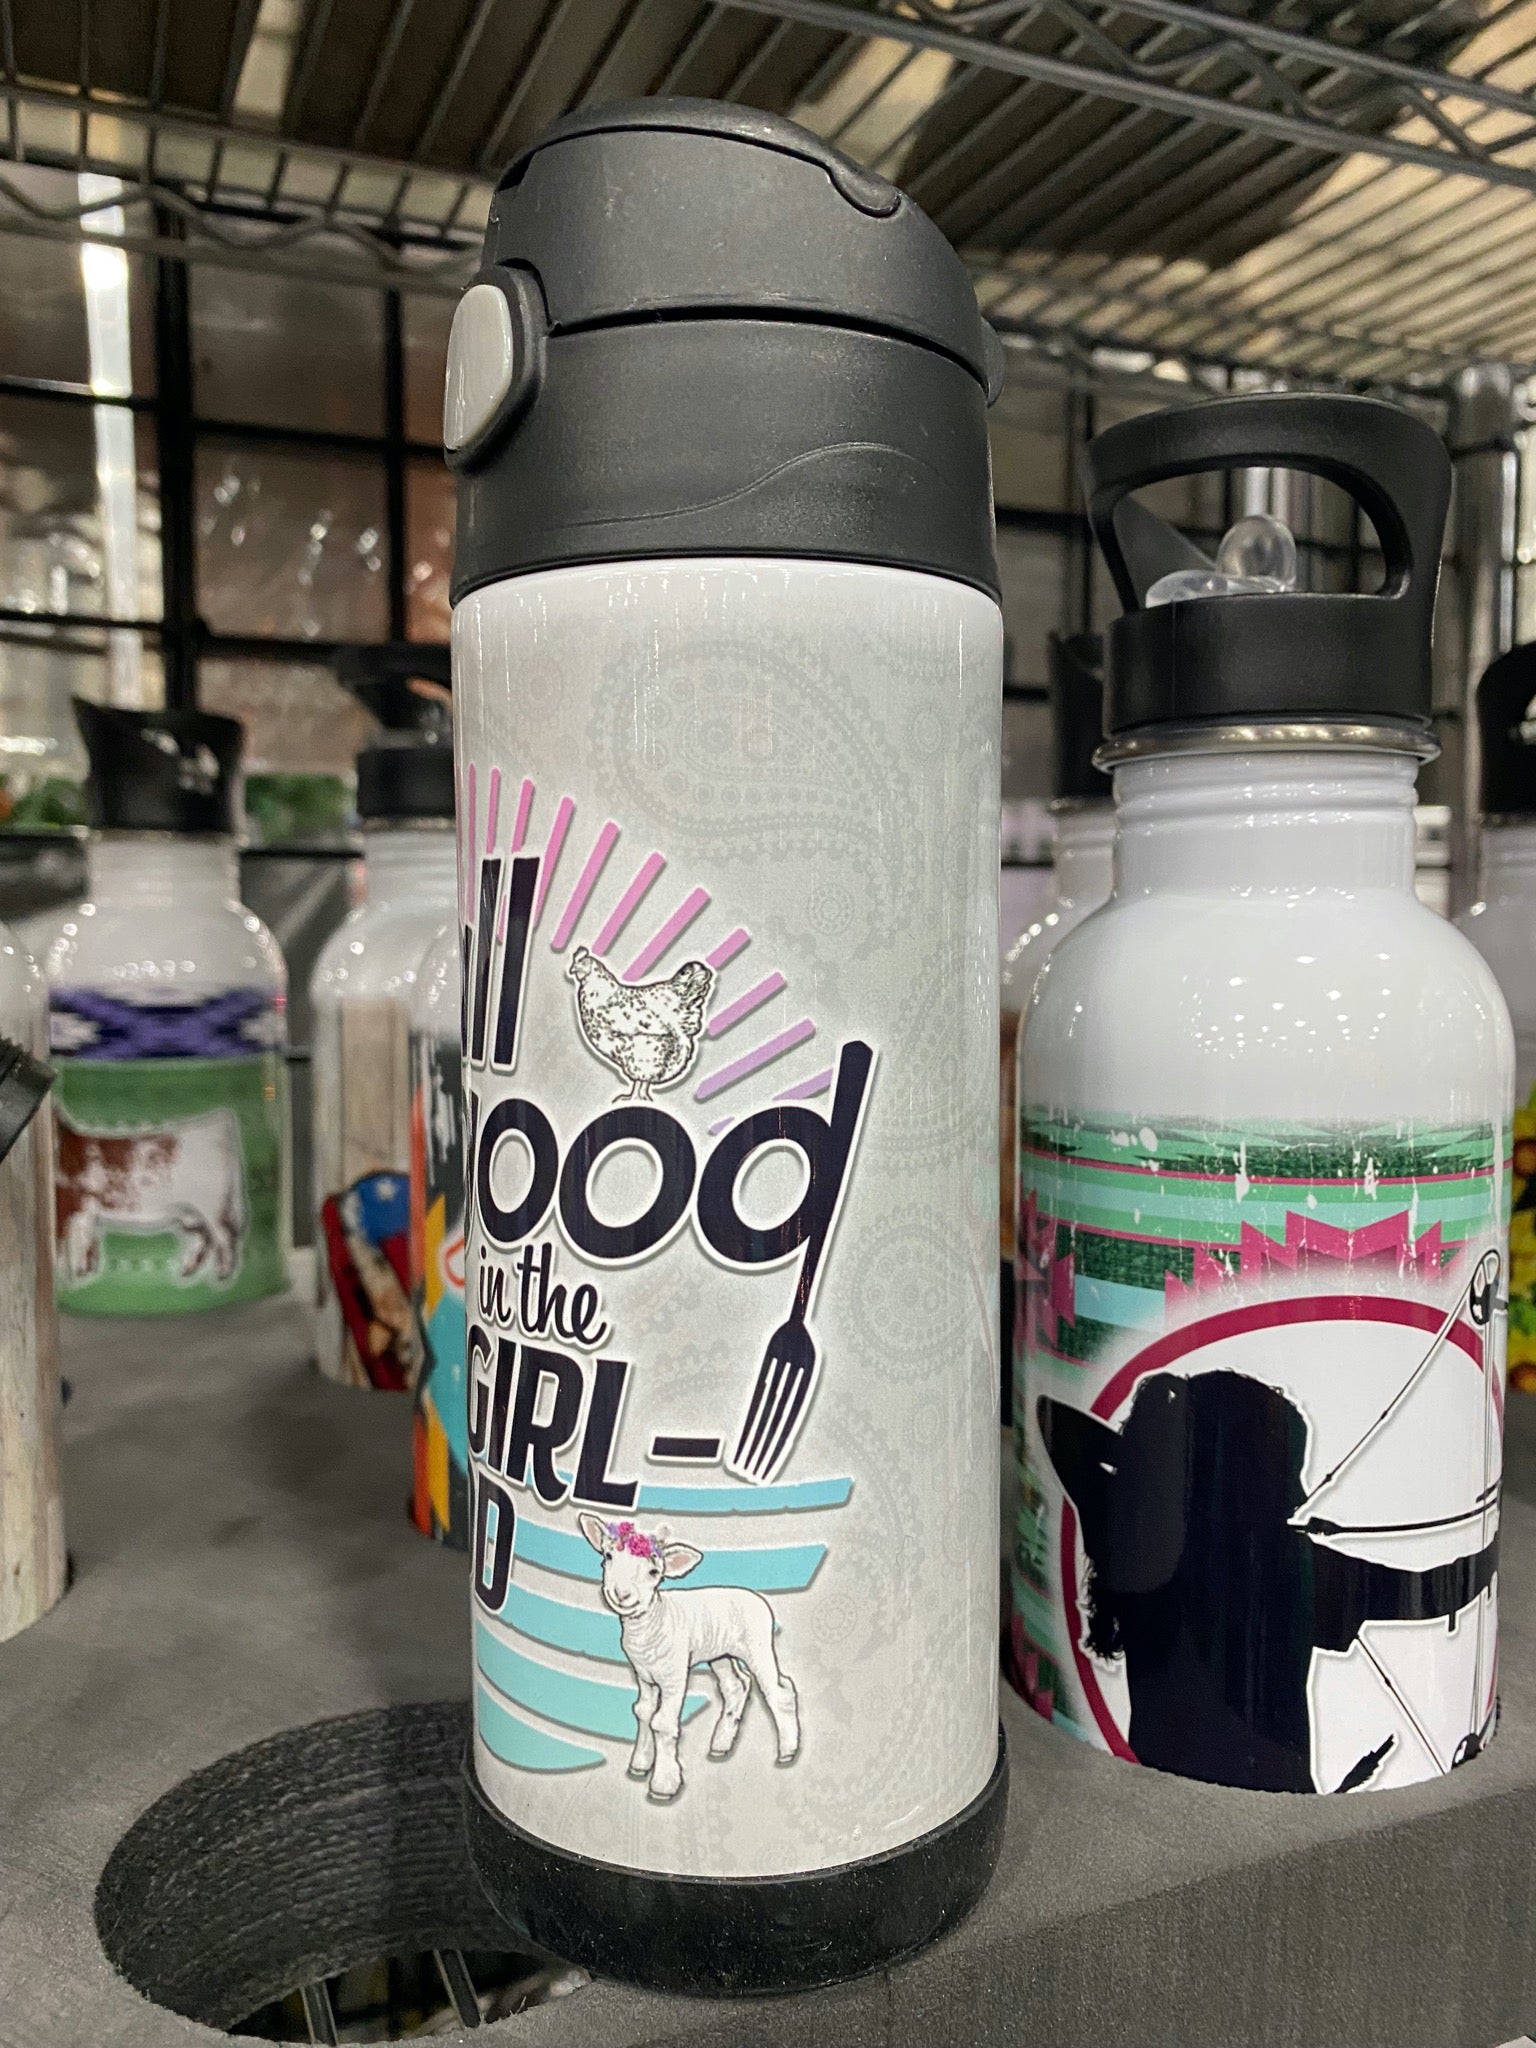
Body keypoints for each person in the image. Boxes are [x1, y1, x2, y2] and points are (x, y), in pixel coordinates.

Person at [1039, 1369, 1498, 1792]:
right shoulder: (1289, 1564)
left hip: (1150, 1788)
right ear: (1249, 1477)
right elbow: (1433, 1590)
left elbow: (1057, 1424)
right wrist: (1489, 1549)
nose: (1300, 1494)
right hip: (1273, 1804)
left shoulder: (1138, 1533)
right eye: (1286, 1473)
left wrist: (1159, 1469)